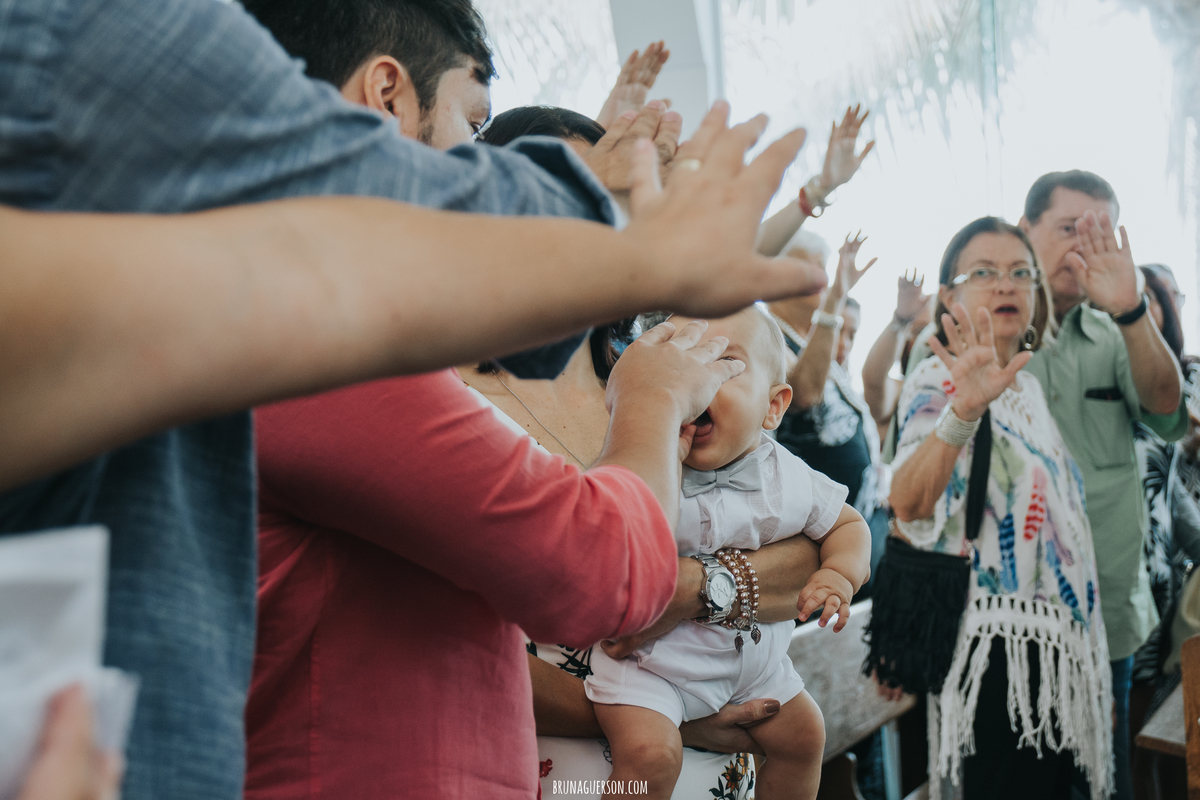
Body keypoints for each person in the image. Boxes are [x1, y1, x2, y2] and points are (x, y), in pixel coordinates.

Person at [0, 2, 819, 799]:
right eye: (473, 129)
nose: (491, 177)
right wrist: (647, 382)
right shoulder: (318, 354)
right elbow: (596, 570)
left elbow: (800, 532)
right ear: (384, 100)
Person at [474, 105, 825, 800]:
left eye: (612, 202)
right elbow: (467, 651)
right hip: (571, 772)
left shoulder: (661, 370)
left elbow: (801, 542)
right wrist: (679, 714)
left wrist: (691, 594)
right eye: (569, 195)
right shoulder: (457, 402)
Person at [584, 307, 872, 800]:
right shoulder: (641, 459)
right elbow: (605, 550)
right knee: (651, 759)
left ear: (773, 406)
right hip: (653, 670)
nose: (699, 378)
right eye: (684, 362)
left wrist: (839, 576)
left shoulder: (789, 475)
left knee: (805, 737)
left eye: (725, 364)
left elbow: (848, 523)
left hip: (753, 668)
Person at [885, 216, 1112, 799]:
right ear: (948, 297)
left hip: (1056, 652)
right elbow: (907, 501)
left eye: (1020, 272)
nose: (1007, 285)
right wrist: (964, 410)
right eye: (984, 272)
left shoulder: (1028, 386)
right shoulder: (937, 376)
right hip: (995, 655)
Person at [1017, 173, 1186, 800]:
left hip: (1103, 607)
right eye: (1068, 229)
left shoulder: (1117, 331)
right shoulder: (981, 326)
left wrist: (1132, 308)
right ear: (1024, 230)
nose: (1083, 248)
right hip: (1005, 614)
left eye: (1099, 233)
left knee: (1101, 780)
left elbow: (1168, 413)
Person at [768, 233, 891, 586]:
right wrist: (836, 298)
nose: (821, 275)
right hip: (816, 536)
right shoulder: (766, 331)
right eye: (808, 264)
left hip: (857, 523)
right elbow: (804, 394)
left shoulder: (808, 340)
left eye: (823, 266)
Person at [861, 271, 932, 443]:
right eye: (920, 331)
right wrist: (901, 319)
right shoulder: (901, 391)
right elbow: (873, 380)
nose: (928, 341)